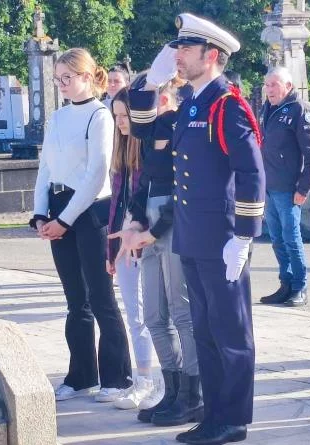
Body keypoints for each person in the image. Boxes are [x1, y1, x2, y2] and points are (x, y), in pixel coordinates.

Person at [121, 13, 264, 444]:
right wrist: (150, 82)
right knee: (204, 330)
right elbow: (142, 128)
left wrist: (243, 236)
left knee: (230, 333)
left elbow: (252, 173)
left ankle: (233, 420)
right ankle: (213, 413)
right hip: (193, 238)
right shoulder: (193, 104)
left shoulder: (227, 105)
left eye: (186, 49)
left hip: (221, 239)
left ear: (212, 55)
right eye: (178, 48)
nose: (177, 56)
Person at [30, 48, 133, 401]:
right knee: (75, 301)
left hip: (89, 212)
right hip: (59, 208)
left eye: (67, 78)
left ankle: (117, 378)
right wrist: (41, 213)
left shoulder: (99, 116)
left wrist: (64, 219)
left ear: (88, 77)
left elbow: (95, 175)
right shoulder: (58, 118)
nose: (62, 84)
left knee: (101, 297)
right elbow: (46, 168)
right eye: (58, 79)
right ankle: (81, 376)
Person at [110, 76, 204, 426]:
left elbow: (185, 189)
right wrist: (135, 222)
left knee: (182, 314)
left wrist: (153, 231)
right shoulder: (149, 138)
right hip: (148, 226)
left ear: (163, 100)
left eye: (131, 112)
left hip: (171, 228)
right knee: (153, 315)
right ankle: (174, 388)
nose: (129, 120)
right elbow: (145, 184)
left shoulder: (182, 129)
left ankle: (192, 395)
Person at [105, 87, 157, 408]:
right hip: (121, 241)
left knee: (152, 314)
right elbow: (114, 204)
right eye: (116, 116)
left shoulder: (150, 151)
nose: (120, 122)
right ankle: (143, 380)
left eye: (124, 115)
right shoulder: (120, 153)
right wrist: (109, 252)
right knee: (134, 313)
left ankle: (152, 381)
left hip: (147, 239)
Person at [258, 67, 310, 307]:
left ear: (288, 86)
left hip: (288, 188)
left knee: (291, 238)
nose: (269, 89)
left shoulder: (298, 109)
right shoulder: (268, 108)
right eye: (267, 85)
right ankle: (285, 283)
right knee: (276, 239)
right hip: (270, 185)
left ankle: (300, 286)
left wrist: (304, 189)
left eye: (274, 85)